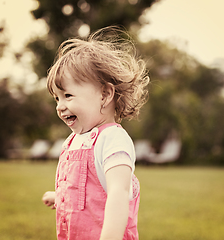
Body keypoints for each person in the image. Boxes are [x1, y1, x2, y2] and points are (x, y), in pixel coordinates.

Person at [42, 26, 149, 240]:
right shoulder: (74, 141)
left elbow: (118, 193)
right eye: (57, 98)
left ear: (105, 94)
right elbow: (88, 190)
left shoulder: (113, 139)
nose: (60, 106)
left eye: (68, 95)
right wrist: (62, 196)